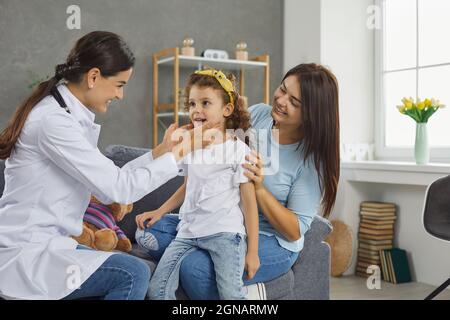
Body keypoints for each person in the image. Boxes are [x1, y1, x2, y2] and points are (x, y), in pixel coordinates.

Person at [0, 31, 214, 300]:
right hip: (28, 253)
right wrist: (181, 152)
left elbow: (109, 184)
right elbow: (118, 190)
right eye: (119, 84)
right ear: (93, 77)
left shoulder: (67, 116)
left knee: (130, 270)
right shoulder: (53, 123)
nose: (120, 95)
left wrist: (162, 151)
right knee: (131, 273)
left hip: (53, 246)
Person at [137, 63, 340, 299]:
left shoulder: (310, 162)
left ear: (312, 113)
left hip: (270, 238)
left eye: (294, 102)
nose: (281, 100)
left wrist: (260, 190)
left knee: (195, 268)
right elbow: (215, 144)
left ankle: (250, 294)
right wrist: (185, 140)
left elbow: (295, 231)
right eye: (282, 89)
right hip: (223, 220)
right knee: (151, 233)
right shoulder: (259, 114)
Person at [135, 69, 259, 300]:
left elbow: (249, 204)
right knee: (157, 290)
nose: (196, 110)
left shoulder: (238, 149)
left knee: (231, 295)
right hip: (188, 232)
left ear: (227, 109)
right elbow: (188, 186)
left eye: (205, 103)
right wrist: (160, 211)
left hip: (225, 234)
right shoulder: (190, 144)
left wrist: (252, 251)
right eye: (192, 103)